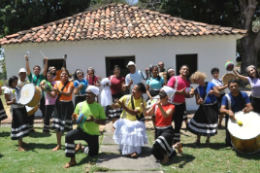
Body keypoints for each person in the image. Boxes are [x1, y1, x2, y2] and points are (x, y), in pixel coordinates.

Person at [64, 85, 106, 168]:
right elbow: (75, 118)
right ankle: (72, 160)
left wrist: (94, 120)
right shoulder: (79, 105)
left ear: (95, 96)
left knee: (93, 154)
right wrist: (74, 118)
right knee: (68, 136)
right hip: (81, 130)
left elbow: (104, 122)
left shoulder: (98, 107)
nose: (87, 95)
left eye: (89, 93)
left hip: (93, 134)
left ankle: (81, 147)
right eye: (86, 93)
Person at [142, 86, 182, 164]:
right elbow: (146, 114)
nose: (160, 95)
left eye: (162, 93)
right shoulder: (156, 105)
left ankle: (166, 157)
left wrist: (159, 105)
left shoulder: (171, 106)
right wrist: (143, 107)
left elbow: (166, 115)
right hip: (158, 130)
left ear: (167, 96)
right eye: (160, 93)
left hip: (167, 130)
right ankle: (174, 147)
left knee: (159, 142)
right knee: (154, 151)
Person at [111, 83, 147, 158]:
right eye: (132, 89)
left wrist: (123, 105)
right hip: (124, 121)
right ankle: (128, 151)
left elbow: (133, 112)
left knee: (133, 136)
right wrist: (108, 102)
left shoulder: (142, 103)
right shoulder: (126, 97)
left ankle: (133, 151)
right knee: (126, 136)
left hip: (135, 123)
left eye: (135, 90)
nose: (132, 90)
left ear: (140, 92)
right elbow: (116, 106)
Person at [188, 71, 220, 145]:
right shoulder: (197, 90)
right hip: (203, 107)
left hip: (212, 107)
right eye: (195, 80)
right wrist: (199, 101)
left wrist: (213, 92)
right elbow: (197, 103)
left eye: (198, 79)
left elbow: (218, 94)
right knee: (199, 122)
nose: (197, 81)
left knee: (210, 123)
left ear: (202, 77)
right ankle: (198, 140)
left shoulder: (211, 84)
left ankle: (207, 141)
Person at [220, 79, 253, 147]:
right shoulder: (226, 97)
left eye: (235, 86)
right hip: (231, 118)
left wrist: (248, 109)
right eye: (231, 87)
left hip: (242, 117)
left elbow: (251, 107)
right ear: (229, 88)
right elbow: (221, 110)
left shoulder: (244, 95)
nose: (234, 88)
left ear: (238, 86)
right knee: (229, 142)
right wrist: (228, 111)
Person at [167, 65, 194, 143]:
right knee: (168, 123)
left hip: (181, 105)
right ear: (180, 71)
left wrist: (192, 94)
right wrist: (179, 92)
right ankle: (168, 139)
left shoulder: (188, 83)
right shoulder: (174, 79)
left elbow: (186, 95)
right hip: (171, 104)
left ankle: (176, 142)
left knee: (178, 125)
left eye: (187, 69)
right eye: (183, 69)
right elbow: (168, 90)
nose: (185, 70)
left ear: (188, 72)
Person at [4, 76, 29, 151]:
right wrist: (12, 101)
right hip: (15, 109)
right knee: (19, 125)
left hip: (22, 107)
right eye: (14, 81)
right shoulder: (7, 90)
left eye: (16, 81)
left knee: (23, 124)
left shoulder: (18, 88)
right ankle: (20, 146)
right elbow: (7, 102)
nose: (15, 83)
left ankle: (22, 142)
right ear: (10, 82)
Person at [52, 69, 74, 151]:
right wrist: (46, 89)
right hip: (59, 105)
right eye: (62, 74)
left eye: (65, 74)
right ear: (60, 76)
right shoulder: (57, 83)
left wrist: (59, 91)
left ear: (68, 76)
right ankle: (59, 145)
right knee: (58, 126)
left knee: (68, 126)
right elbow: (53, 95)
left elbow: (68, 94)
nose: (63, 75)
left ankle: (70, 144)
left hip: (68, 105)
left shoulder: (71, 83)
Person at [25, 54, 48, 132]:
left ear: (39, 70)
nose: (36, 70)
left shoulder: (42, 76)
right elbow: (27, 69)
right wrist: (27, 60)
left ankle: (46, 126)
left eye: (38, 69)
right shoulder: (31, 76)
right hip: (33, 97)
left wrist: (46, 62)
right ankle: (30, 127)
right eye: (35, 69)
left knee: (44, 111)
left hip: (42, 96)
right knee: (31, 112)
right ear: (33, 70)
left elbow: (45, 70)